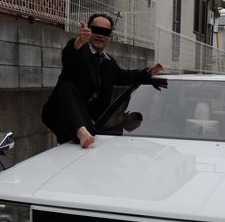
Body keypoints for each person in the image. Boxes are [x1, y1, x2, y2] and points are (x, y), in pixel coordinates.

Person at [41, 13, 164, 148]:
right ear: (89, 31)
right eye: (96, 30)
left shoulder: (108, 62)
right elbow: (69, 54)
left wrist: (147, 72)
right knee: (66, 88)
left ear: (110, 36)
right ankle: (80, 132)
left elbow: (125, 76)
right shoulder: (80, 49)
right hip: (60, 114)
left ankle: (84, 134)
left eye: (104, 32)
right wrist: (79, 41)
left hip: (88, 122)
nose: (100, 35)